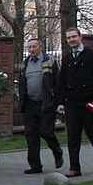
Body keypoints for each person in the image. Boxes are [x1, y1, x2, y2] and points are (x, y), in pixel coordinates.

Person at [57, 28, 93, 178]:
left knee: (92, 133)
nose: (71, 40)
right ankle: (74, 167)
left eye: (74, 37)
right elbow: (62, 82)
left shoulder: (92, 55)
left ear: (80, 37)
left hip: (88, 101)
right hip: (72, 102)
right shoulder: (66, 59)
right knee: (73, 135)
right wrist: (61, 102)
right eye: (68, 38)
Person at [18, 38, 64, 174]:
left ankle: (57, 150)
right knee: (31, 135)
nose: (31, 50)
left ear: (41, 47)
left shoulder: (49, 61)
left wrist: (57, 101)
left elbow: (58, 82)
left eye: (34, 47)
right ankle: (35, 165)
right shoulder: (25, 63)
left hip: (46, 103)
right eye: (29, 47)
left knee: (45, 131)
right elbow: (22, 84)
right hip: (30, 104)